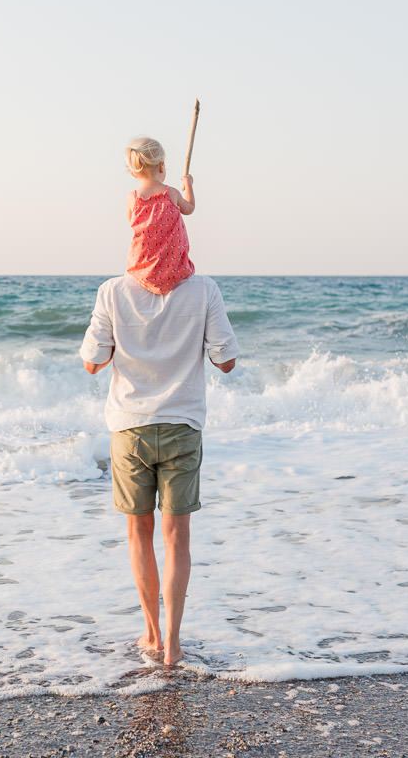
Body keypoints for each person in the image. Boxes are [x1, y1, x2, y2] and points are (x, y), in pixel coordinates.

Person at [80, 270, 239, 667]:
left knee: (139, 533)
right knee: (177, 539)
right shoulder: (204, 289)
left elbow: (92, 362)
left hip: (130, 429)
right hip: (182, 427)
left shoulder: (113, 292)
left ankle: (151, 633)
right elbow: (227, 360)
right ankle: (172, 644)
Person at [124, 137, 196, 295]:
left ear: (133, 172)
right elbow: (190, 208)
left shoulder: (132, 198)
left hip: (142, 269)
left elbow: (133, 224)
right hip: (175, 269)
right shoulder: (171, 193)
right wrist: (189, 184)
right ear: (162, 166)